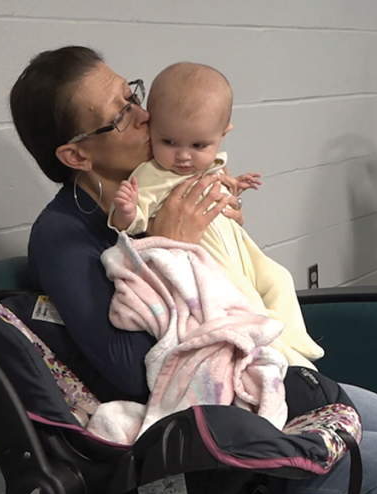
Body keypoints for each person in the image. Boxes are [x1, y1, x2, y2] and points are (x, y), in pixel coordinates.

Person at [10, 45, 377, 494]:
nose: (144, 114)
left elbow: (226, 285)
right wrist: (172, 246)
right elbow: (133, 371)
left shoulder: (171, 180)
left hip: (276, 376)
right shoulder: (63, 235)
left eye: (131, 95)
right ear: (75, 154)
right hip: (212, 427)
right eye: (121, 115)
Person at [108, 61, 324, 372]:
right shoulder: (152, 173)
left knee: (280, 278)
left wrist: (234, 186)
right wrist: (126, 211)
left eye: (198, 145)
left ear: (223, 135)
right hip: (205, 251)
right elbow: (132, 222)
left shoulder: (210, 161)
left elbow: (218, 180)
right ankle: (285, 360)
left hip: (234, 239)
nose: (183, 156)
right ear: (153, 128)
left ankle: (295, 339)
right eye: (169, 142)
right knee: (246, 298)